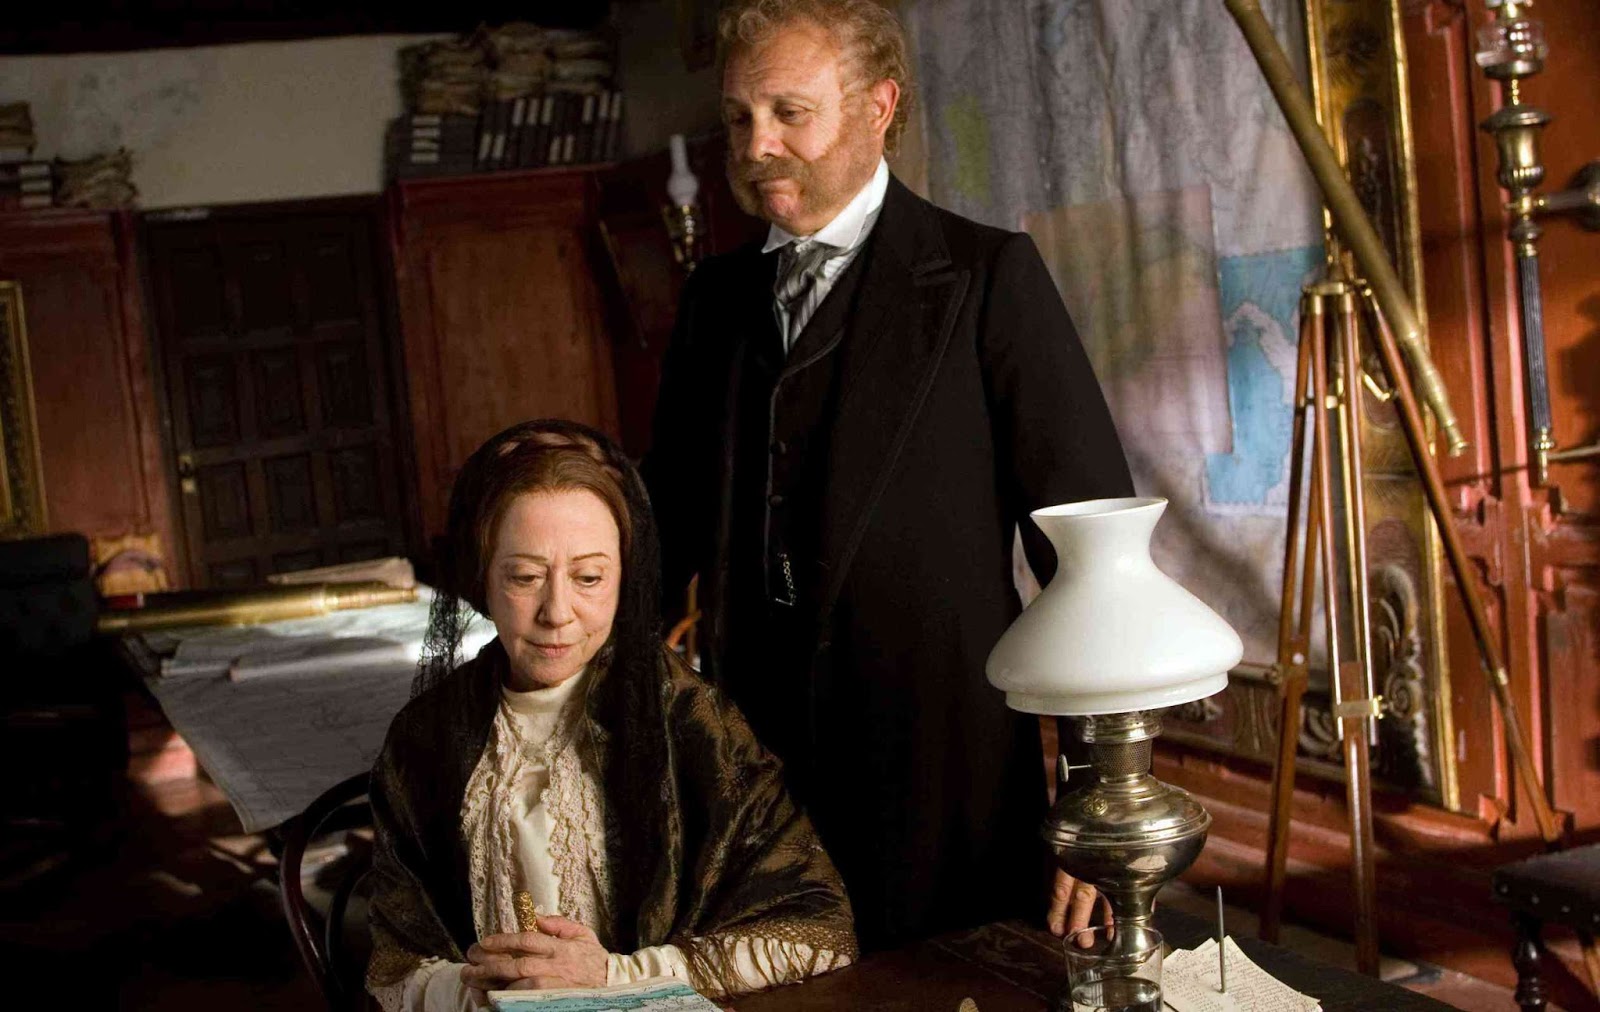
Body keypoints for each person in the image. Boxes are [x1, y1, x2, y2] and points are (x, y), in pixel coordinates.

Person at [643, 0, 1134, 952]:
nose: (756, 145)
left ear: (879, 107)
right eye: (739, 119)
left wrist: (1099, 796)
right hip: (756, 790)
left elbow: (1091, 556)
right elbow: (664, 531)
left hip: (945, 785)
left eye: (789, 113)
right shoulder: (713, 303)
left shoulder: (988, 277)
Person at [365, 420, 856, 1011]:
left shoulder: (691, 722)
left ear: (625, 579)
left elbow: (821, 932)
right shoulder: (422, 739)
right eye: (524, 577)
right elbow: (392, 967)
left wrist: (612, 975)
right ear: (482, 578)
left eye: (589, 578)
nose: (557, 612)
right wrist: (491, 993)